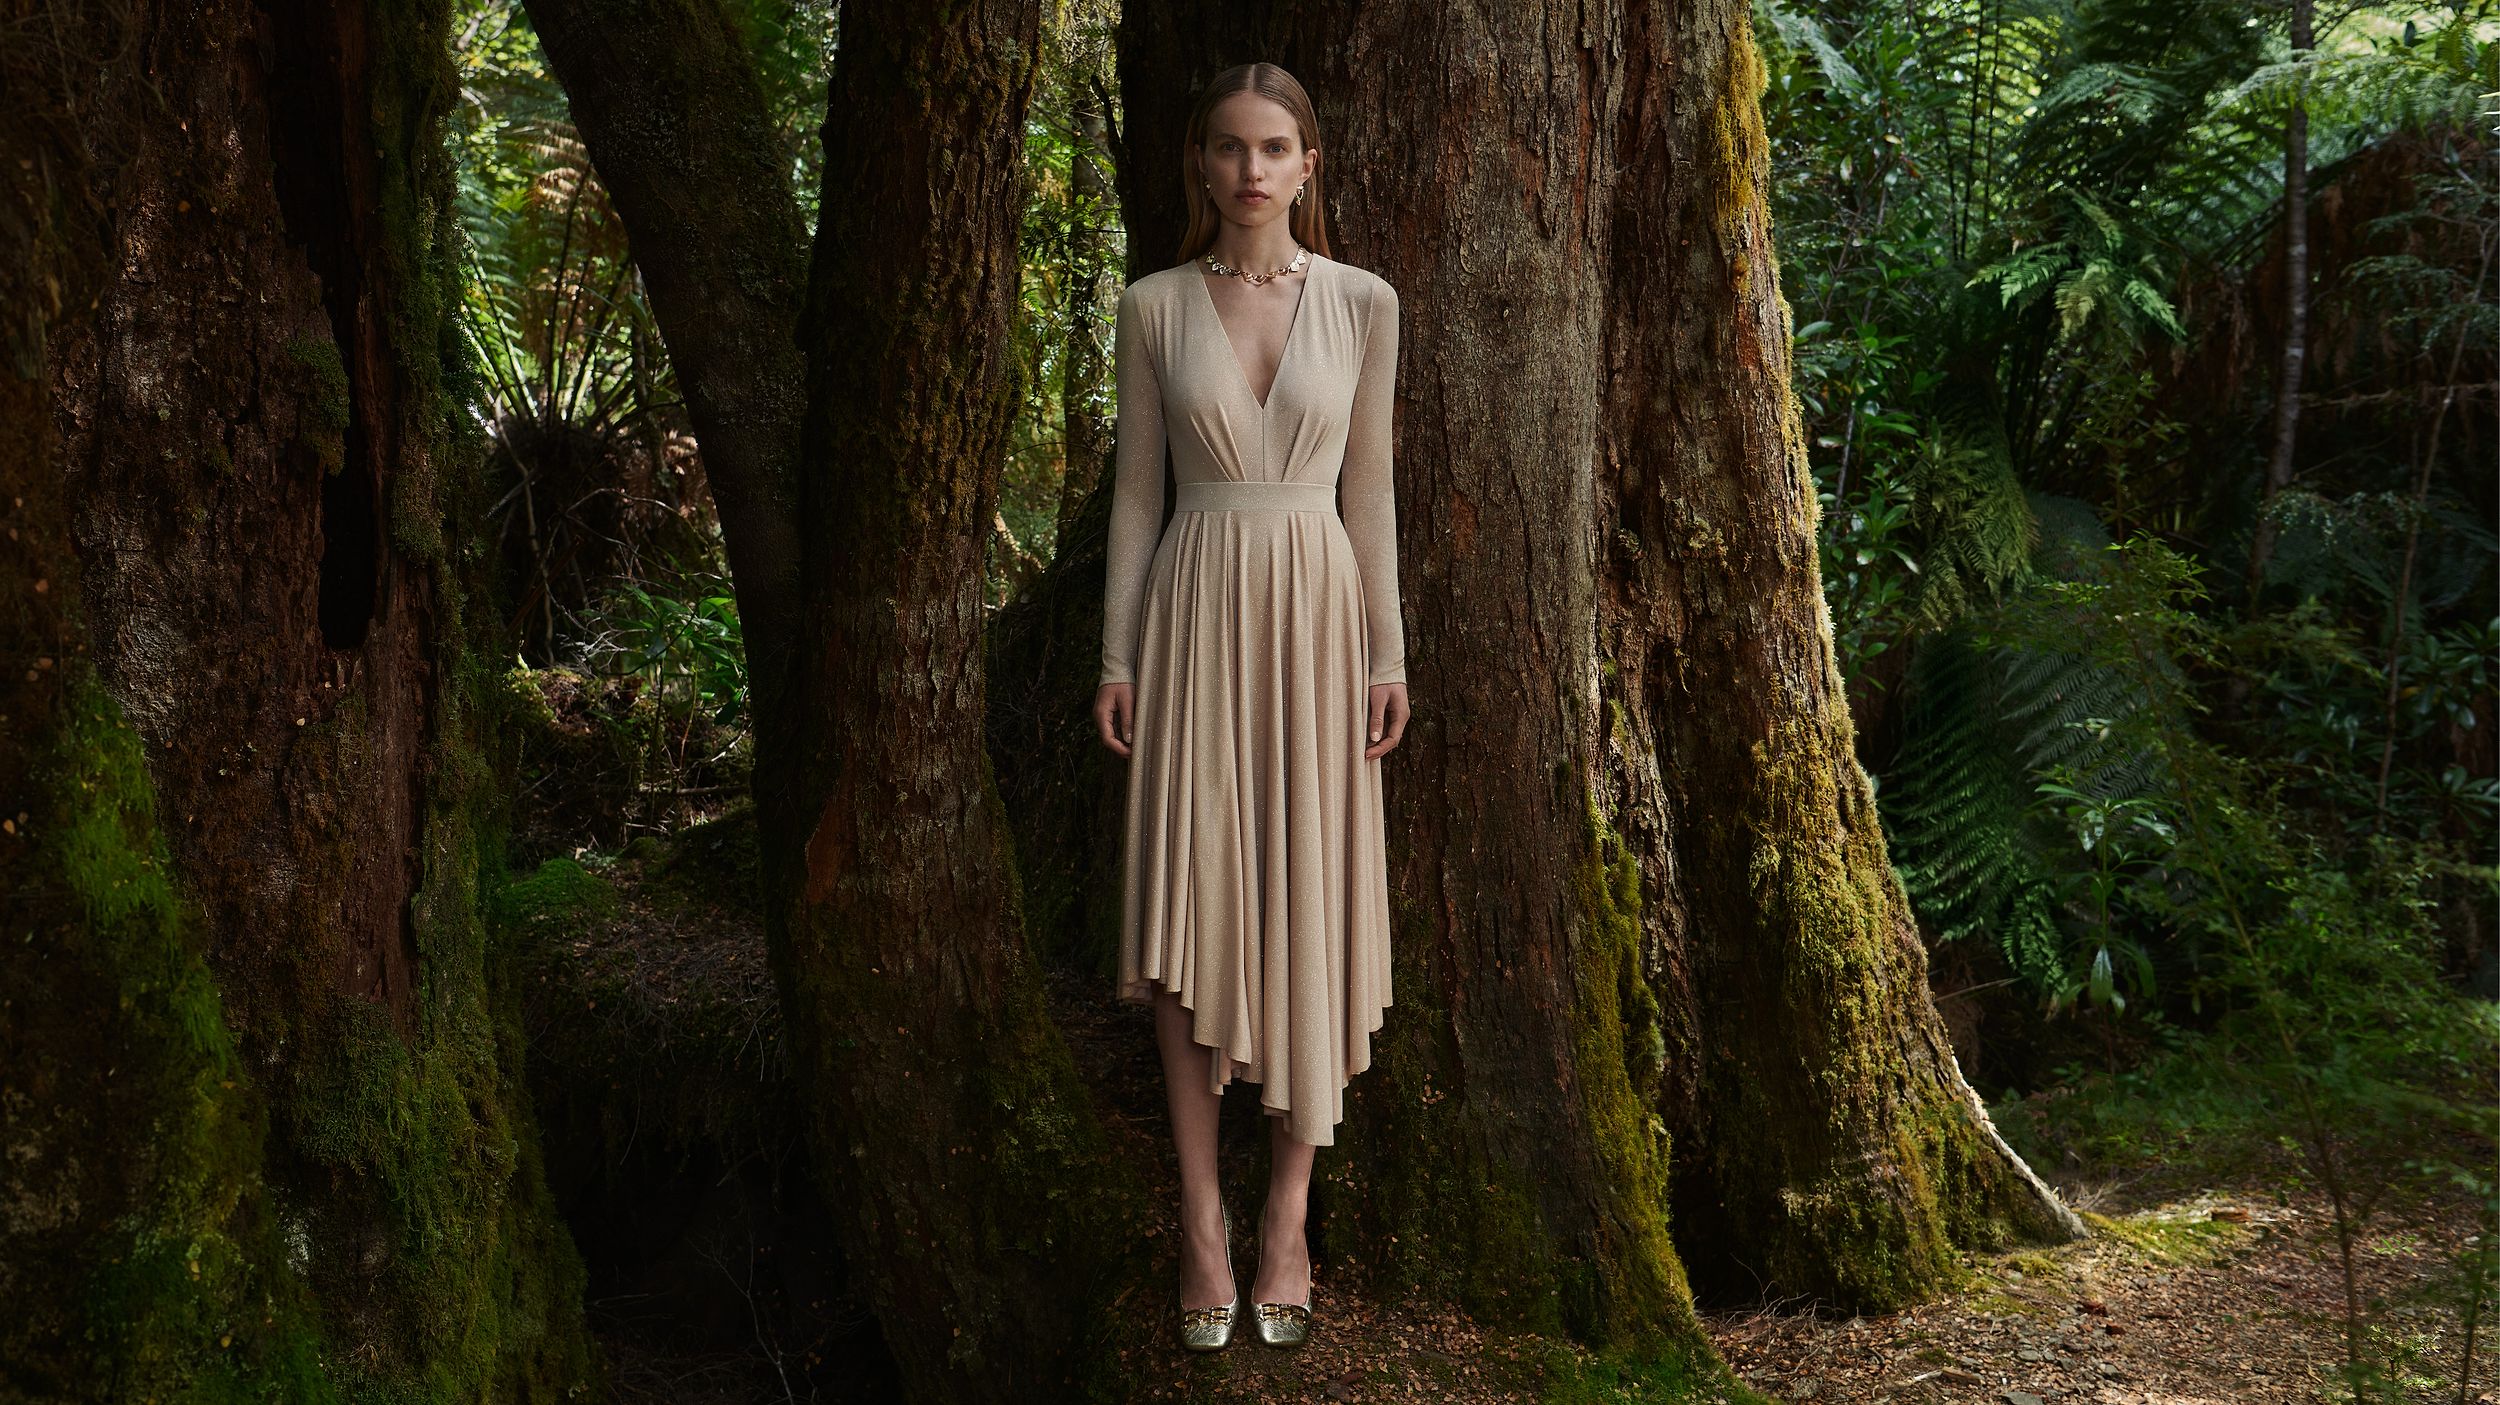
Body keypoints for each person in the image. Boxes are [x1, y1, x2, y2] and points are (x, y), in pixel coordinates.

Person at [1091, 60, 1409, 1354]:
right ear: (1200, 164)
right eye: (1228, 148)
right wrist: (1116, 657)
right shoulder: (1154, 307)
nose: (1251, 170)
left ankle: (1289, 1212)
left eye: (1275, 147)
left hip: (1321, 619)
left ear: (1309, 164)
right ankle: (1203, 1218)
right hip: (1195, 614)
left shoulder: (1366, 304)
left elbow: (1372, 492)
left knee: (1310, 893)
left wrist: (1389, 654)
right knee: (1192, 897)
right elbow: (1134, 496)